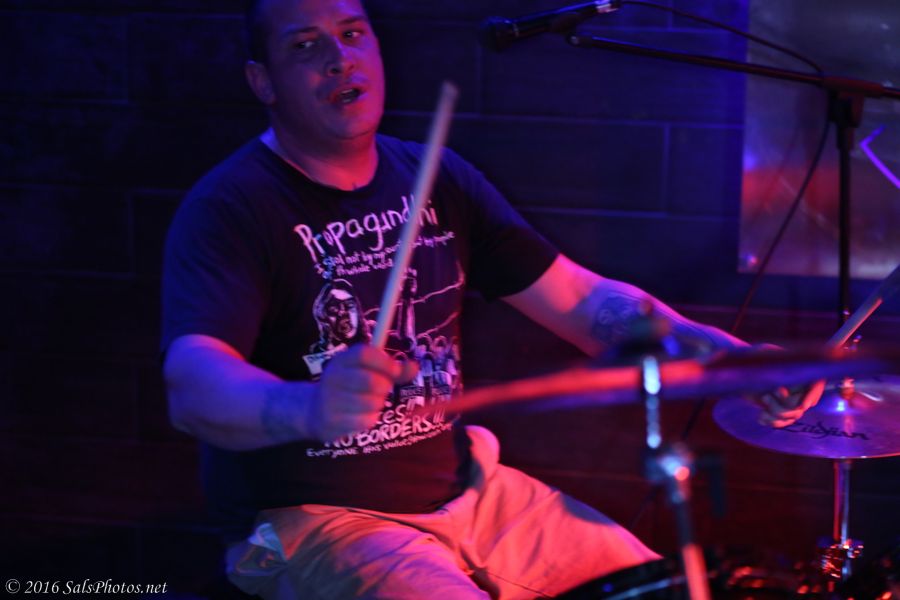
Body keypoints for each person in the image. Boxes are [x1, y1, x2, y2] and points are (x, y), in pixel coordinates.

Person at [160, 0, 819, 597]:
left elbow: (582, 301)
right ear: (263, 81)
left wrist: (731, 359)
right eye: (305, 46)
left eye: (353, 34)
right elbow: (192, 386)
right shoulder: (233, 208)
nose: (339, 58)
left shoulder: (436, 177)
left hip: (471, 491)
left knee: (660, 588)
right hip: (319, 520)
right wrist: (307, 407)